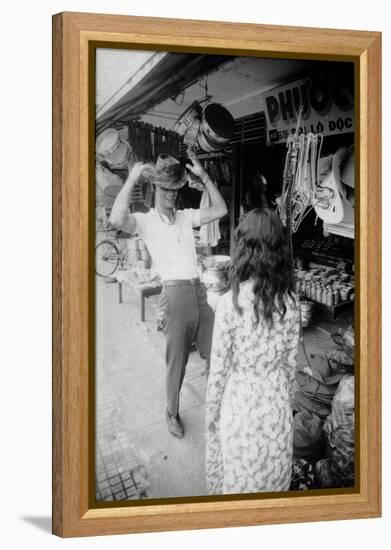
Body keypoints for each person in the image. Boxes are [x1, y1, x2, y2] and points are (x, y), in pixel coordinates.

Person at [110, 153, 227, 438]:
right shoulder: (145, 221)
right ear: (154, 189)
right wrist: (132, 178)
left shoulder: (187, 217)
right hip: (174, 295)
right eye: (165, 189)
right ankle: (171, 413)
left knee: (218, 354)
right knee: (177, 364)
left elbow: (221, 210)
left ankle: (217, 407)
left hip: (200, 291)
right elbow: (116, 218)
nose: (170, 195)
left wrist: (205, 177)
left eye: (174, 190)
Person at [205, 208, 300, 494]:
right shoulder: (292, 304)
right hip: (276, 407)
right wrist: (287, 403)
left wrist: (211, 415)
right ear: (278, 251)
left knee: (240, 484)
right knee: (273, 482)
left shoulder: (228, 304)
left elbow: (218, 372)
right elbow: (290, 368)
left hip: (240, 408)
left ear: (244, 248)